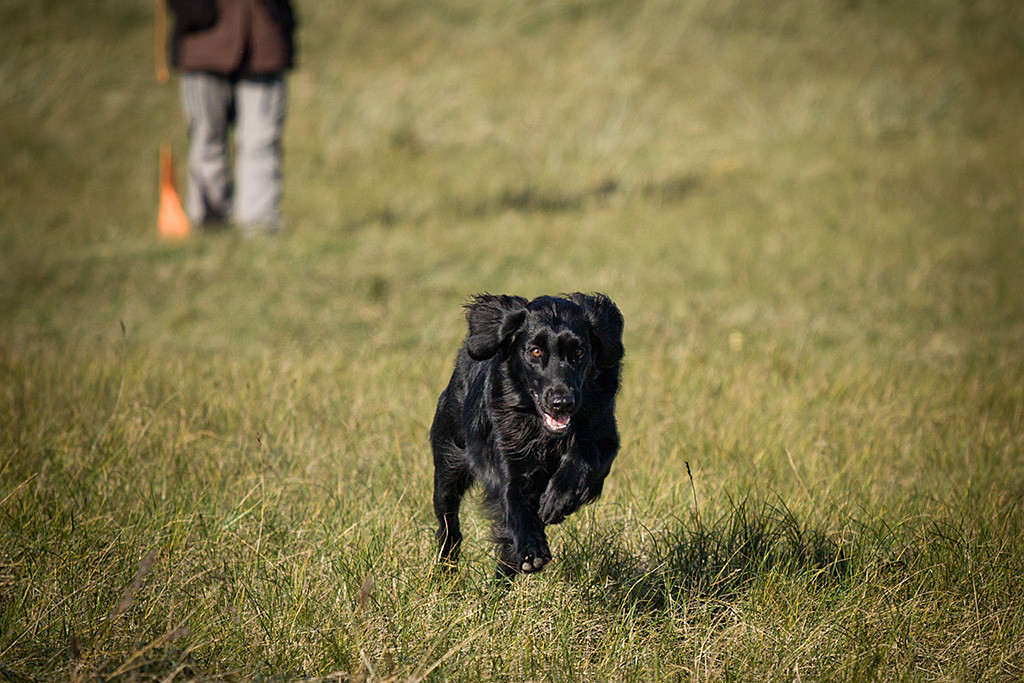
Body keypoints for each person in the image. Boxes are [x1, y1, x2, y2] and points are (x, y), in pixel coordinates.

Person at [167, 0, 296, 235]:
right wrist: (192, 11)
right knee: (207, 139)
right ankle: (211, 223)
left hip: (264, 37)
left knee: (262, 141)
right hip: (202, 42)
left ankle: (259, 226)